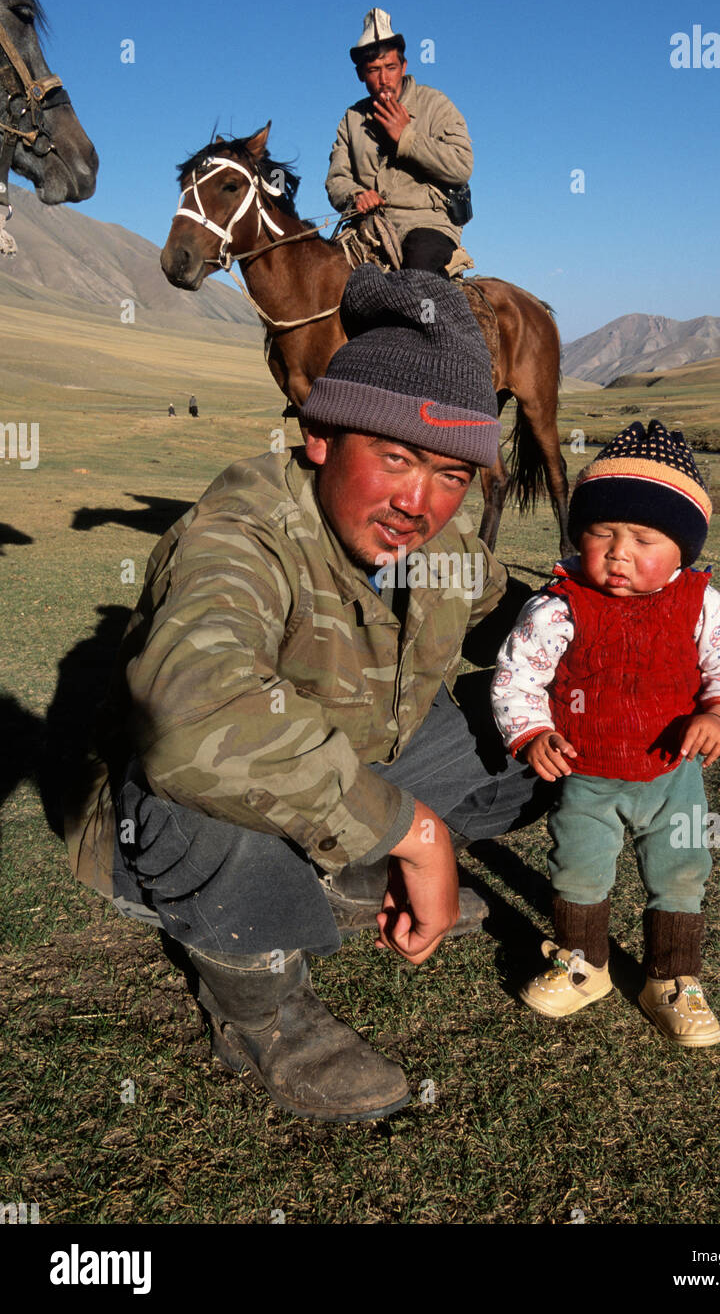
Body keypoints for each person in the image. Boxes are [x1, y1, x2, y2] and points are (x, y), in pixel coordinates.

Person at [65, 265, 547, 1122]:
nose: (418, 501)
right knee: (208, 775)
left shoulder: (444, 535)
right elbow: (193, 710)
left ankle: (344, 870)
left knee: (538, 727)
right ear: (323, 434)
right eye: (395, 457)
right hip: (182, 809)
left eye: (449, 474)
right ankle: (261, 1014)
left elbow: (499, 609)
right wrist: (415, 831)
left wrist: (622, 633)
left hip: (346, 760)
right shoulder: (244, 530)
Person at [491, 420, 720, 1047]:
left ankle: (672, 978)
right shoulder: (559, 604)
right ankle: (584, 963)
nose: (618, 551)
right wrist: (531, 732)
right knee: (578, 870)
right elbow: (517, 675)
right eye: (601, 533)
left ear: (683, 548)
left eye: (643, 538)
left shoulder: (701, 604)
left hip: (673, 774)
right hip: (586, 772)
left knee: (681, 869)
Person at [326, 8, 473, 278]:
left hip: (427, 223)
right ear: (360, 74)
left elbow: (461, 166)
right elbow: (337, 178)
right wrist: (355, 195)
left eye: (390, 68)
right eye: (373, 70)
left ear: (403, 67)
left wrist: (406, 138)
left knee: (414, 281)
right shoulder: (351, 119)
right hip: (368, 228)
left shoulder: (435, 105)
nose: (384, 80)